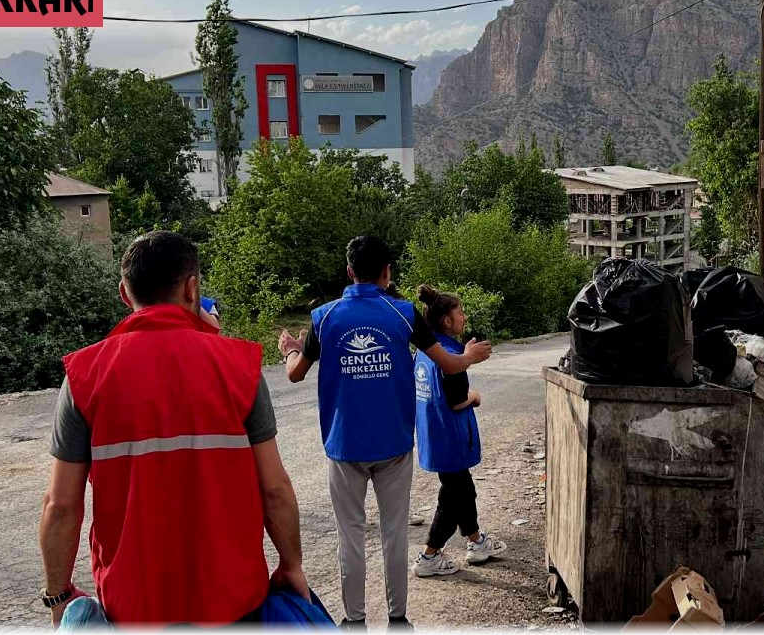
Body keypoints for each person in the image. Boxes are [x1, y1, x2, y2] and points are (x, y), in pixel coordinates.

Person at [38, 231, 310, 627]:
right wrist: (292, 565)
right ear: (192, 287)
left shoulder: (85, 375)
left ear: (124, 293)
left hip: (134, 607)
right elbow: (274, 488)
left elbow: (60, 506)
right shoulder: (239, 368)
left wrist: (58, 595)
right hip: (233, 600)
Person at [278, 236, 492, 630]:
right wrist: (471, 357)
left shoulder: (324, 317)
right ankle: (397, 619)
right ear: (387, 273)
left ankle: (355, 620)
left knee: (351, 535)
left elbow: (295, 373)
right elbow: (449, 364)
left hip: (344, 447)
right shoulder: (404, 314)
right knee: (394, 533)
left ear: (349, 271)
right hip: (394, 444)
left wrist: (290, 348)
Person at [410, 286, 507, 578]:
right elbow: (456, 400)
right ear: (447, 322)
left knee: (462, 490)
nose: (464, 317)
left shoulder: (426, 352)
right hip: (450, 438)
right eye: (460, 312)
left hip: (434, 436)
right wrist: (475, 397)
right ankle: (429, 555)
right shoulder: (450, 355)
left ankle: (476, 542)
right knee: (453, 496)